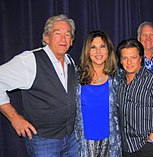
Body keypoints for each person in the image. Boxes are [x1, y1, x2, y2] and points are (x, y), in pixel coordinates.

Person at [0, 14, 78, 156]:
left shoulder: (70, 62)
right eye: (57, 33)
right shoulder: (29, 60)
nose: (63, 39)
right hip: (43, 141)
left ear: (71, 41)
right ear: (46, 37)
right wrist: (15, 118)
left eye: (67, 35)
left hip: (71, 139)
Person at [116, 39, 153, 157]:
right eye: (124, 58)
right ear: (120, 60)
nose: (129, 62)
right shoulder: (118, 80)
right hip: (126, 145)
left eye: (133, 57)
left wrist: (152, 138)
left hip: (146, 145)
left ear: (140, 58)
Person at [75, 31, 122, 157]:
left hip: (110, 142)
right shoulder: (76, 76)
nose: (98, 52)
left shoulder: (117, 77)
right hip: (84, 144)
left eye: (102, 47)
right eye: (93, 47)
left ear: (108, 50)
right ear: (87, 51)